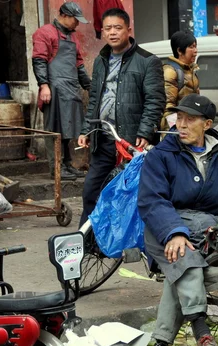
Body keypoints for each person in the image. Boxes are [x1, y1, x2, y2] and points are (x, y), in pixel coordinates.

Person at [138, 94, 218, 346]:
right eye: (179, 119)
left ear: (207, 124)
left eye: (190, 120)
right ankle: (203, 334)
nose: (181, 125)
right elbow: (152, 201)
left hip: (208, 233)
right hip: (164, 230)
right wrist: (173, 232)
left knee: (184, 269)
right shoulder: (160, 156)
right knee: (185, 258)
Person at [78, 8, 166, 227]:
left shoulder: (147, 61)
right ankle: (87, 242)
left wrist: (145, 131)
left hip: (131, 141)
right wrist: (86, 129)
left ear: (128, 30)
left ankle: (138, 240)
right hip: (104, 139)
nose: (112, 33)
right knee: (91, 191)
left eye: (117, 28)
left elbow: (155, 100)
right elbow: (96, 98)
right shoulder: (101, 61)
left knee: (133, 195)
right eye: (107, 28)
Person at [32, 1, 92, 181]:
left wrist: (89, 86)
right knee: (54, 129)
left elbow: (79, 64)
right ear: (65, 15)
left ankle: (67, 164)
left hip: (71, 88)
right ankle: (55, 168)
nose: (77, 23)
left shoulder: (73, 37)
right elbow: (39, 60)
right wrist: (44, 85)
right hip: (54, 88)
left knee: (68, 128)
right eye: (75, 19)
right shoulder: (44, 33)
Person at [160, 31, 200, 130]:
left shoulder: (191, 70)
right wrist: (176, 130)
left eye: (195, 46)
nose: (195, 51)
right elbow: (168, 107)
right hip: (176, 130)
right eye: (191, 47)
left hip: (189, 126)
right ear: (179, 51)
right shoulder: (170, 71)